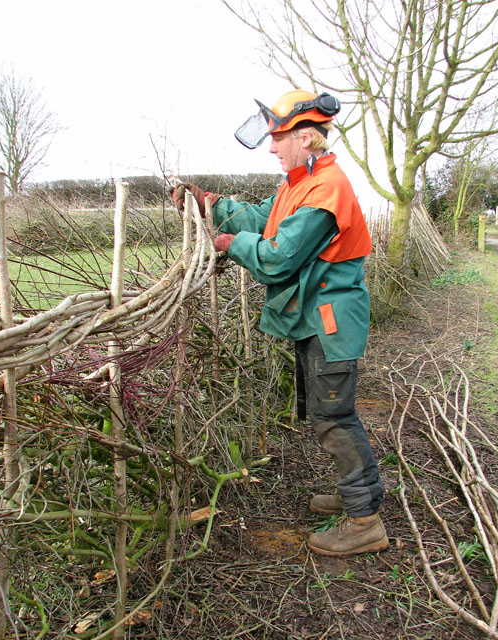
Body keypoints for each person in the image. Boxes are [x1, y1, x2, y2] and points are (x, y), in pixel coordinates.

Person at [172, 89, 388, 557]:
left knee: (335, 418)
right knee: (327, 414)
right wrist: (212, 203)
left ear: (306, 138)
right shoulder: (300, 184)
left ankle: (364, 520)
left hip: (331, 321)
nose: (272, 146)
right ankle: (356, 497)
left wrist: (232, 242)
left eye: (279, 138)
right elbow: (264, 218)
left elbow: (276, 259)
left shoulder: (325, 190)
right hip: (316, 319)